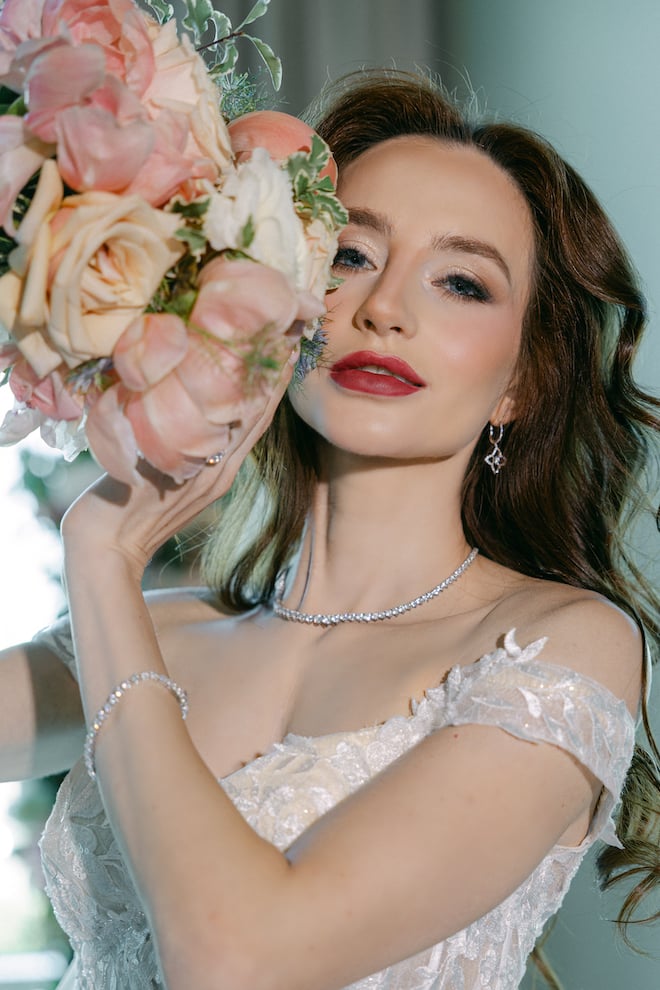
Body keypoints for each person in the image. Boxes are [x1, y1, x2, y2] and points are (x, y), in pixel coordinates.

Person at [2, 70, 659, 990]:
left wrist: (103, 558)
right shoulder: (159, 633)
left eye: (462, 282)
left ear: (524, 383)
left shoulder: (558, 648)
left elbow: (235, 962)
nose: (385, 309)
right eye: (350, 256)